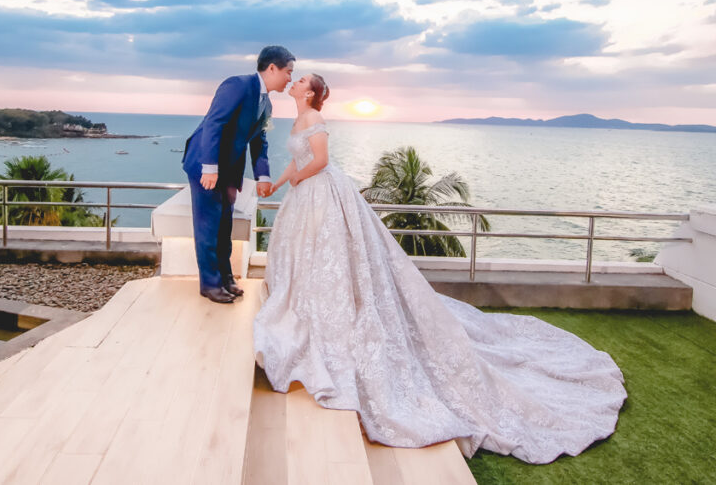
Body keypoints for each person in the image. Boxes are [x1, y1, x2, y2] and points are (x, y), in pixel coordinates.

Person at [253, 74, 627, 464]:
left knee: (334, 260)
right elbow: (299, 162)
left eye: (300, 81)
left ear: (311, 92)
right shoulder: (297, 120)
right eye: (293, 79)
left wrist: (294, 177)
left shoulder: (313, 119)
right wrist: (275, 183)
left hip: (325, 195)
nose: (294, 83)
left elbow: (320, 161)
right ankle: (308, 313)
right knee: (312, 261)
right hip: (304, 197)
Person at [182, 46, 295, 303]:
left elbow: (259, 142)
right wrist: (210, 168)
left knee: (224, 225)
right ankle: (209, 285)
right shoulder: (238, 84)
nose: (290, 78)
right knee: (208, 225)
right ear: (272, 68)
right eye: (288, 72)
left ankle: (225, 278)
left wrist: (263, 176)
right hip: (205, 165)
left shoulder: (266, 103)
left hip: (230, 171)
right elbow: (214, 123)